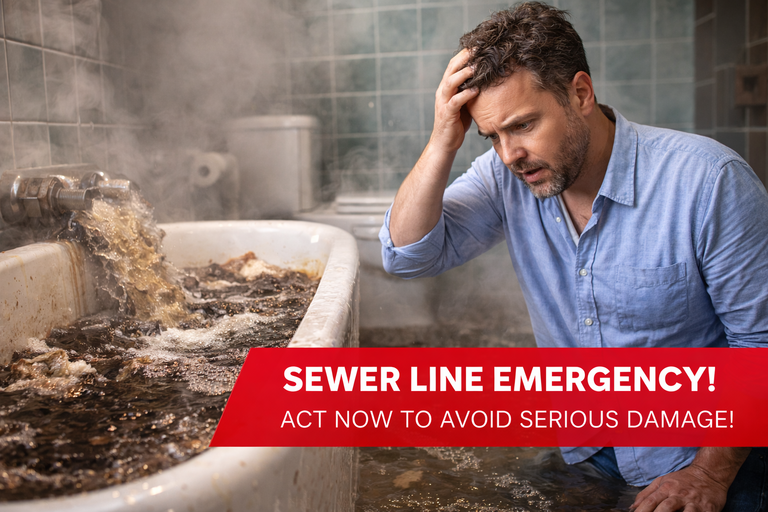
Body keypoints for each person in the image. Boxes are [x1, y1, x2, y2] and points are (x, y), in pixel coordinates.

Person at [378, 2, 768, 511]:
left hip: (704, 459)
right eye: (491, 136)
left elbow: (758, 344)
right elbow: (406, 257)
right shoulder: (506, 177)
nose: (507, 154)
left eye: (522, 125)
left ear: (580, 93)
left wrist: (707, 476)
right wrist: (442, 141)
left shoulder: (708, 181)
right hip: (585, 449)